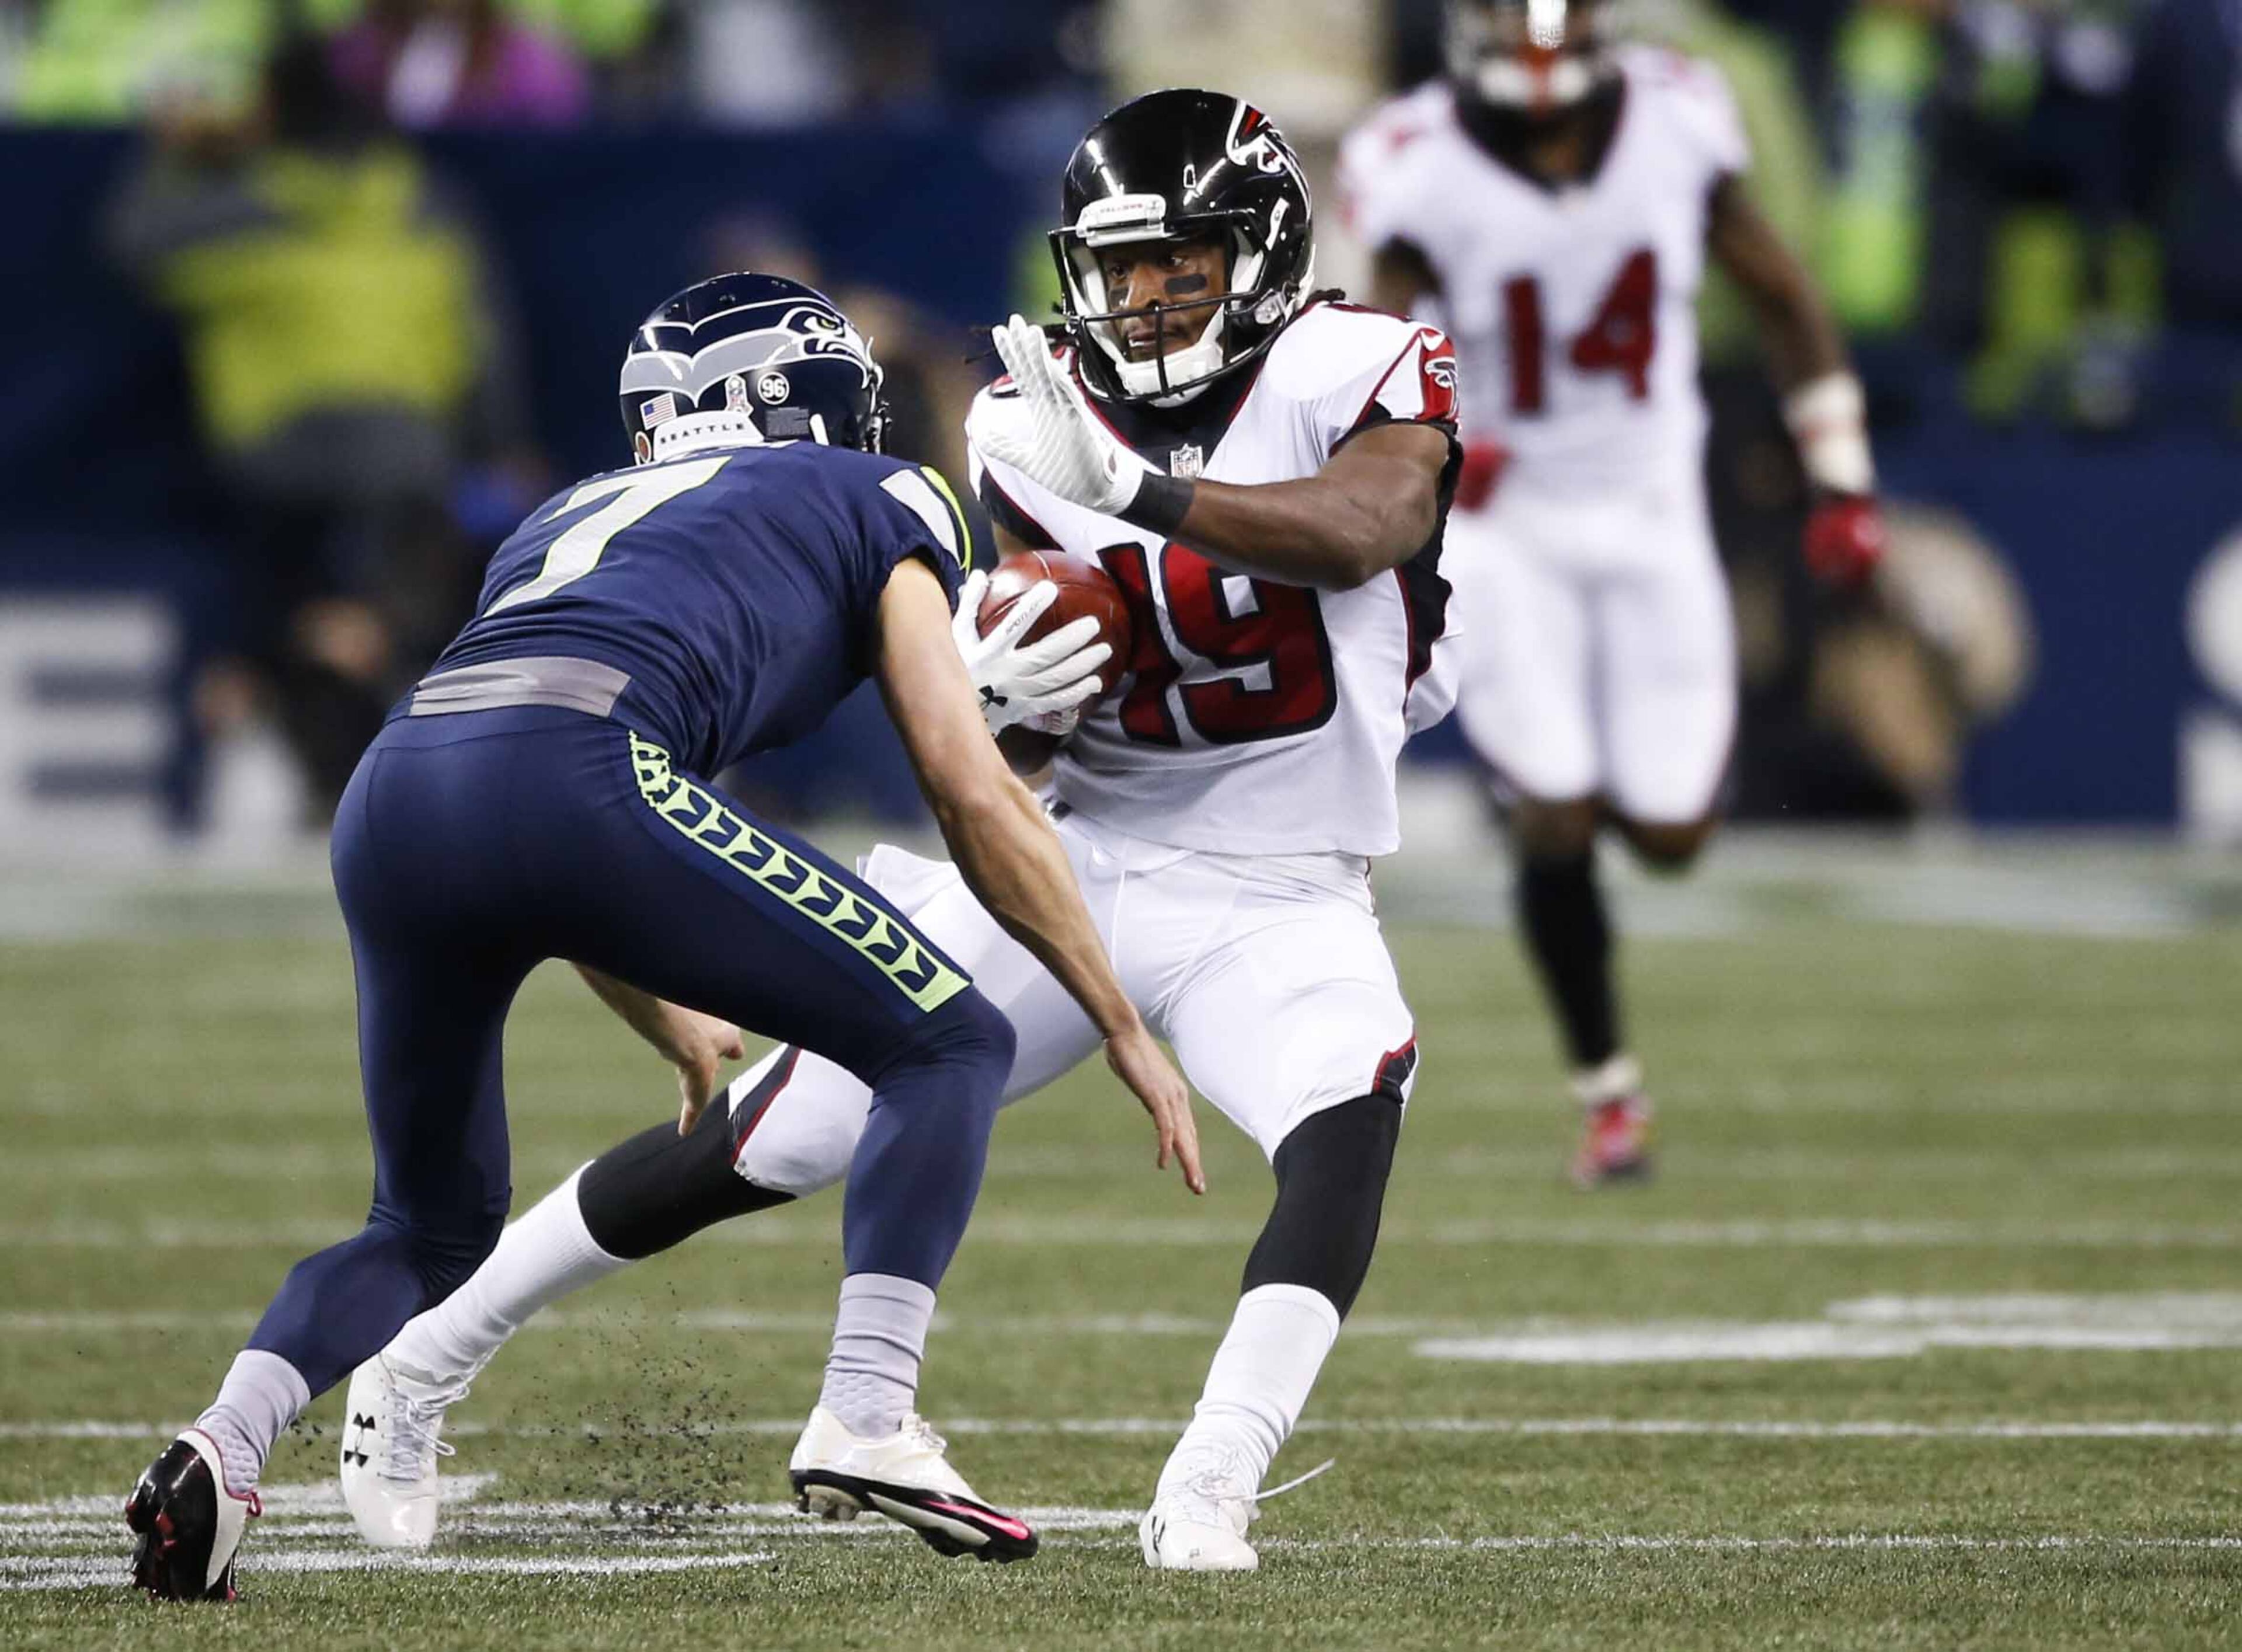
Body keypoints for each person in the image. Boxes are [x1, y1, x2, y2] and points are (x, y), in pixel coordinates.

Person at [340, 88, 1461, 1574]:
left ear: (1259, 252)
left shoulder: (1356, 362)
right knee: (775, 1130)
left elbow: (1367, 527)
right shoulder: (1025, 416)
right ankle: (419, 1358)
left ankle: (1210, 1483)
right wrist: (1007, 693)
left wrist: (1143, 491)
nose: (1140, 295)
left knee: (1347, 1115)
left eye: (1177, 261)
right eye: (1116, 265)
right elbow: (1031, 709)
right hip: (1080, 846)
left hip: (1285, 882)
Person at [122, 272, 1197, 1601]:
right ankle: (867, 1411)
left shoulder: (563, 513)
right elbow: (966, 785)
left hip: (397, 793)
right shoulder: (884, 491)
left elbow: (521, 782)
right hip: (582, 775)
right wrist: (1116, 1016)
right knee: (951, 1038)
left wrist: (662, 1008)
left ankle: (221, 1446)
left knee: (427, 1225)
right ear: (809, 401)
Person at [1341, 0, 1887, 1186]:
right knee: (1555, 805)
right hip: (1506, 522)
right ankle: (1608, 1092)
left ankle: (1605, 910)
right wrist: (1427, 447)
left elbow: (1785, 297)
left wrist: (1841, 475)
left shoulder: (1680, 116)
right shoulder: (1415, 157)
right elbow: (1364, 351)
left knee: (1673, 832)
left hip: (1651, 507)